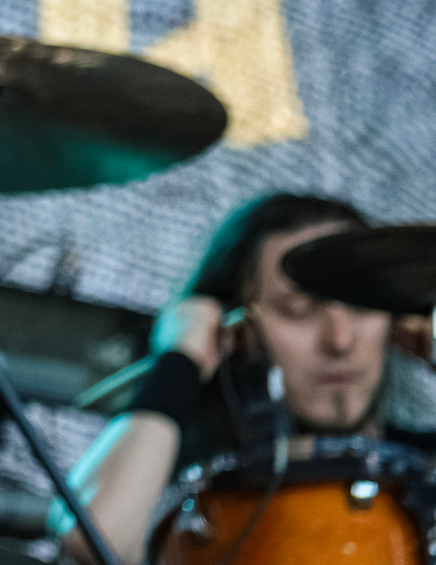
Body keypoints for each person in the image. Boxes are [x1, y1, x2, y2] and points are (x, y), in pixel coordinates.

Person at [60, 193, 435, 563]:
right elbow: (93, 537)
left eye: (363, 304)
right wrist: (180, 359)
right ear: (235, 329)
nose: (340, 340)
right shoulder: (189, 482)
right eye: (298, 309)